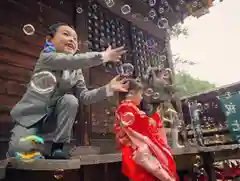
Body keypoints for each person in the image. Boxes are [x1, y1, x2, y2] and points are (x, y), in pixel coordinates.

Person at [8, 22, 129, 159]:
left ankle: (57, 146)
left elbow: (84, 96)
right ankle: (35, 145)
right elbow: (70, 60)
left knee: (70, 100)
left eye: (75, 39)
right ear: (49, 40)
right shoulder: (47, 57)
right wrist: (103, 56)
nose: (72, 40)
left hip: (53, 120)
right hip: (30, 117)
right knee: (18, 151)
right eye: (66, 34)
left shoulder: (75, 71)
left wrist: (108, 88)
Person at [114, 79, 178, 181]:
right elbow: (139, 125)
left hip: (137, 150)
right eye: (140, 94)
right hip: (137, 150)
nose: (141, 97)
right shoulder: (125, 108)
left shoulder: (129, 108)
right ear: (131, 94)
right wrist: (154, 119)